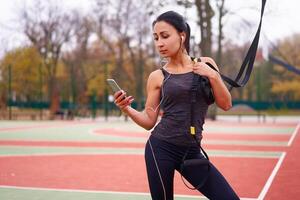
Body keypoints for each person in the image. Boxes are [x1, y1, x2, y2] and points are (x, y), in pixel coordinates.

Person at [113, 11, 239, 200]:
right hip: (160, 148)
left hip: (193, 151)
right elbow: (149, 121)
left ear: (182, 35)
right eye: (155, 38)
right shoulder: (157, 76)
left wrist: (212, 75)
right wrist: (127, 109)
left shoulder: (206, 64)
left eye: (165, 36)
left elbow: (226, 104)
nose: (159, 43)